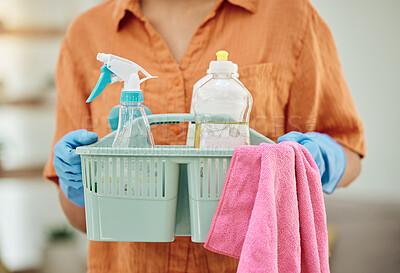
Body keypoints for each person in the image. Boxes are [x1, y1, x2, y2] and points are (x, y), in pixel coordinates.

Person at [44, 0, 366, 272]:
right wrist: (79, 182)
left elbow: (349, 154)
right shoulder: (86, 33)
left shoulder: (289, 16)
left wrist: (319, 158)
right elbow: (83, 220)